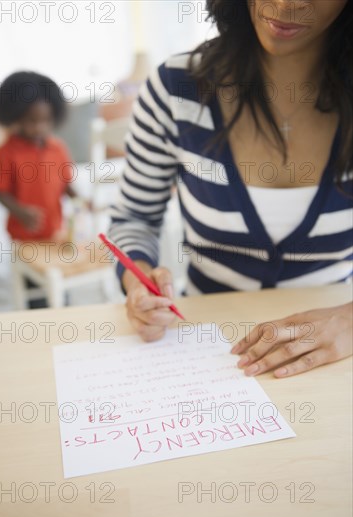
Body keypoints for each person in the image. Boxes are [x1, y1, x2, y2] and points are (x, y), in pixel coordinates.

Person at [109, 0, 353, 377]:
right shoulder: (176, 88)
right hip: (204, 354)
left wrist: (348, 321)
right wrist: (138, 280)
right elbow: (134, 217)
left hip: (333, 361)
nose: (286, 4)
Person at [0, 71, 85, 242]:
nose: (39, 127)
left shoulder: (58, 149)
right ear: (16, 117)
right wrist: (19, 211)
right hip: (22, 234)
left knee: (52, 267)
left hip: (55, 229)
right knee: (25, 267)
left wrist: (79, 199)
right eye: (32, 121)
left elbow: (65, 184)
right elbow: (0, 193)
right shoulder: (5, 152)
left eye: (45, 120)